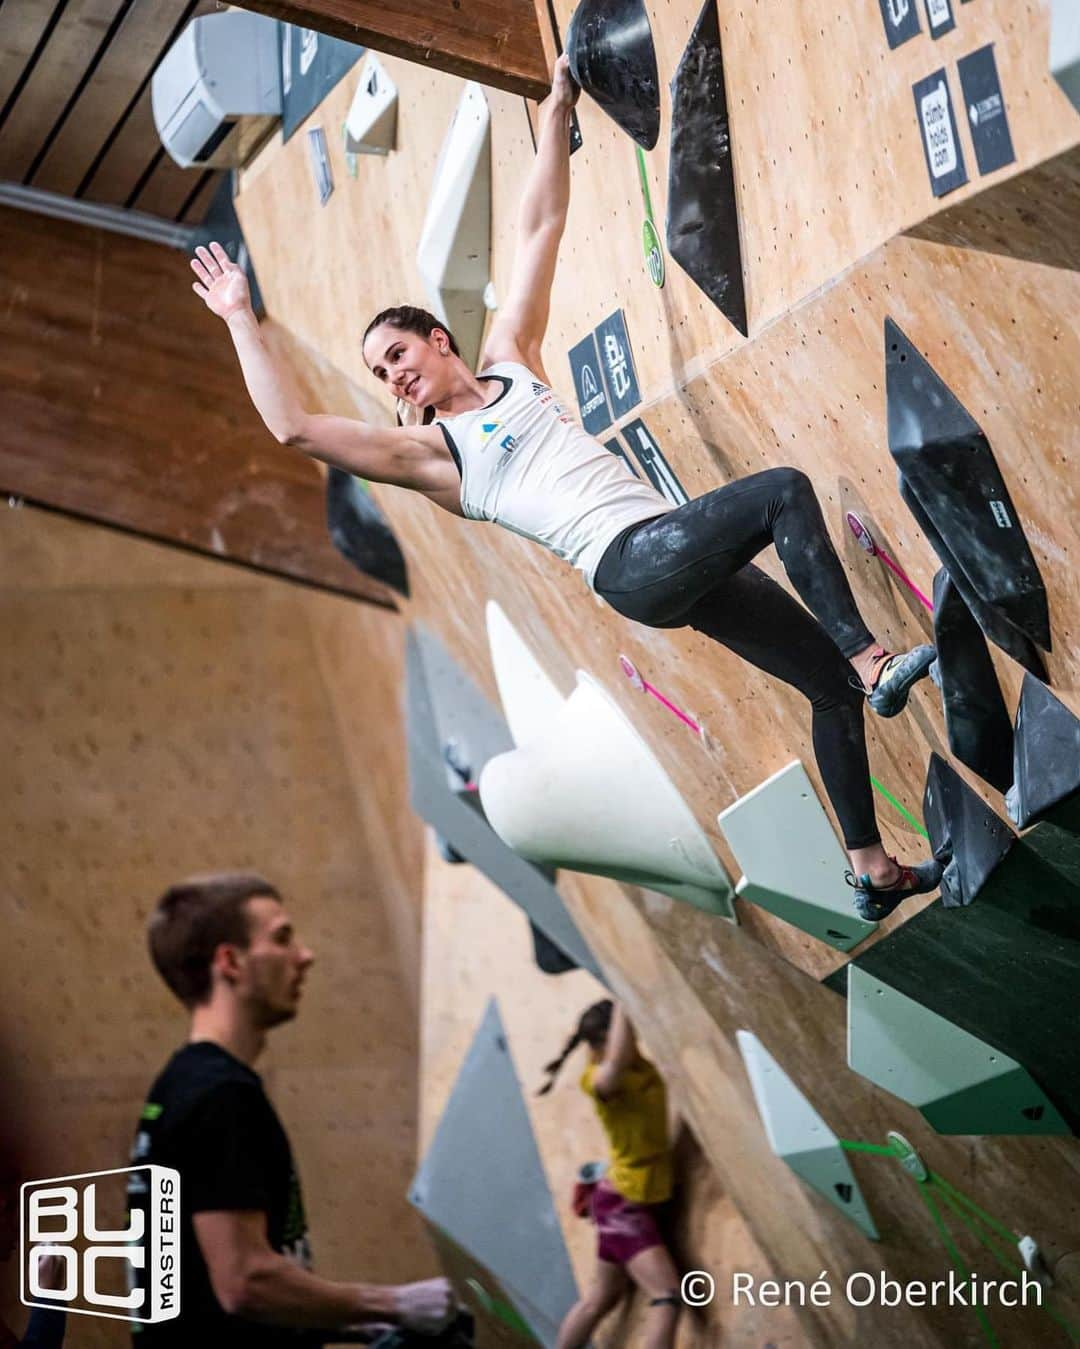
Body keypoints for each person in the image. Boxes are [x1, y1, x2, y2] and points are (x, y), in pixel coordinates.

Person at [189, 57, 941, 922]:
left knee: (826, 694)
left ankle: (871, 868)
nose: (393, 380)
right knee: (781, 493)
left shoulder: (513, 358)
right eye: (379, 375)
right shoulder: (436, 456)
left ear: (439, 338)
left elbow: (540, 225)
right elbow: (295, 429)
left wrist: (556, 109)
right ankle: (868, 654)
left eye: (396, 356)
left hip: (666, 558)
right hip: (630, 565)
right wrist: (241, 317)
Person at [131, 872, 454, 1345]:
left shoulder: (183, 1086)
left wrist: (361, 1325)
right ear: (230, 962)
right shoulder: (221, 1096)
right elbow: (244, 1281)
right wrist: (396, 1304)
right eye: (282, 938)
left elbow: (203, 1291)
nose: (306, 956)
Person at [538, 1000, 679, 1349]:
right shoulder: (598, 1079)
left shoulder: (638, 1068)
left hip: (622, 1199)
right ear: (607, 1038)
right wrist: (624, 1000)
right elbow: (613, 1062)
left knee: (600, 1299)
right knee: (667, 1297)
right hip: (625, 1205)